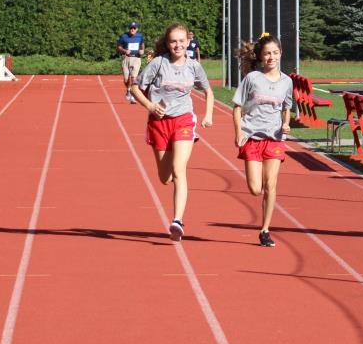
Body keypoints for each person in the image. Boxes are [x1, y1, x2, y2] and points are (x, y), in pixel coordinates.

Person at [130, 22, 214, 242]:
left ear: (188, 41)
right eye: (173, 41)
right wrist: (150, 106)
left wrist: (208, 115)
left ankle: (177, 220)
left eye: (181, 41)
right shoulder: (158, 63)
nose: (178, 45)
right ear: (167, 43)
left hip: (183, 121)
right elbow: (135, 88)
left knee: (179, 169)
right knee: (165, 178)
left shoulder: (194, 66)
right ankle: (177, 216)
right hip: (159, 124)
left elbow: (208, 91)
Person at [232, 33, 293, 248]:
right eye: (267, 54)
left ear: (281, 54)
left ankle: (265, 230)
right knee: (255, 189)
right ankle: (264, 225)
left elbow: (286, 108)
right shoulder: (252, 79)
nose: (271, 57)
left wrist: (286, 123)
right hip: (252, 137)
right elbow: (237, 107)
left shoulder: (287, 81)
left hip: (274, 138)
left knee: (271, 185)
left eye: (275, 53)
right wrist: (238, 132)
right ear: (260, 56)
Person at [117, 21, 145, 103]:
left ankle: (133, 95)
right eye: (131, 28)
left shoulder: (140, 36)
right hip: (126, 58)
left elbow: (142, 44)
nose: (132, 29)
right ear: (129, 28)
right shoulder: (124, 36)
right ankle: (128, 89)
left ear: (137, 29)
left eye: (134, 28)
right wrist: (124, 50)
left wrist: (142, 50)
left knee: (134, 78)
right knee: (126, 79)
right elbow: (118, 46)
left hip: (136, 58)